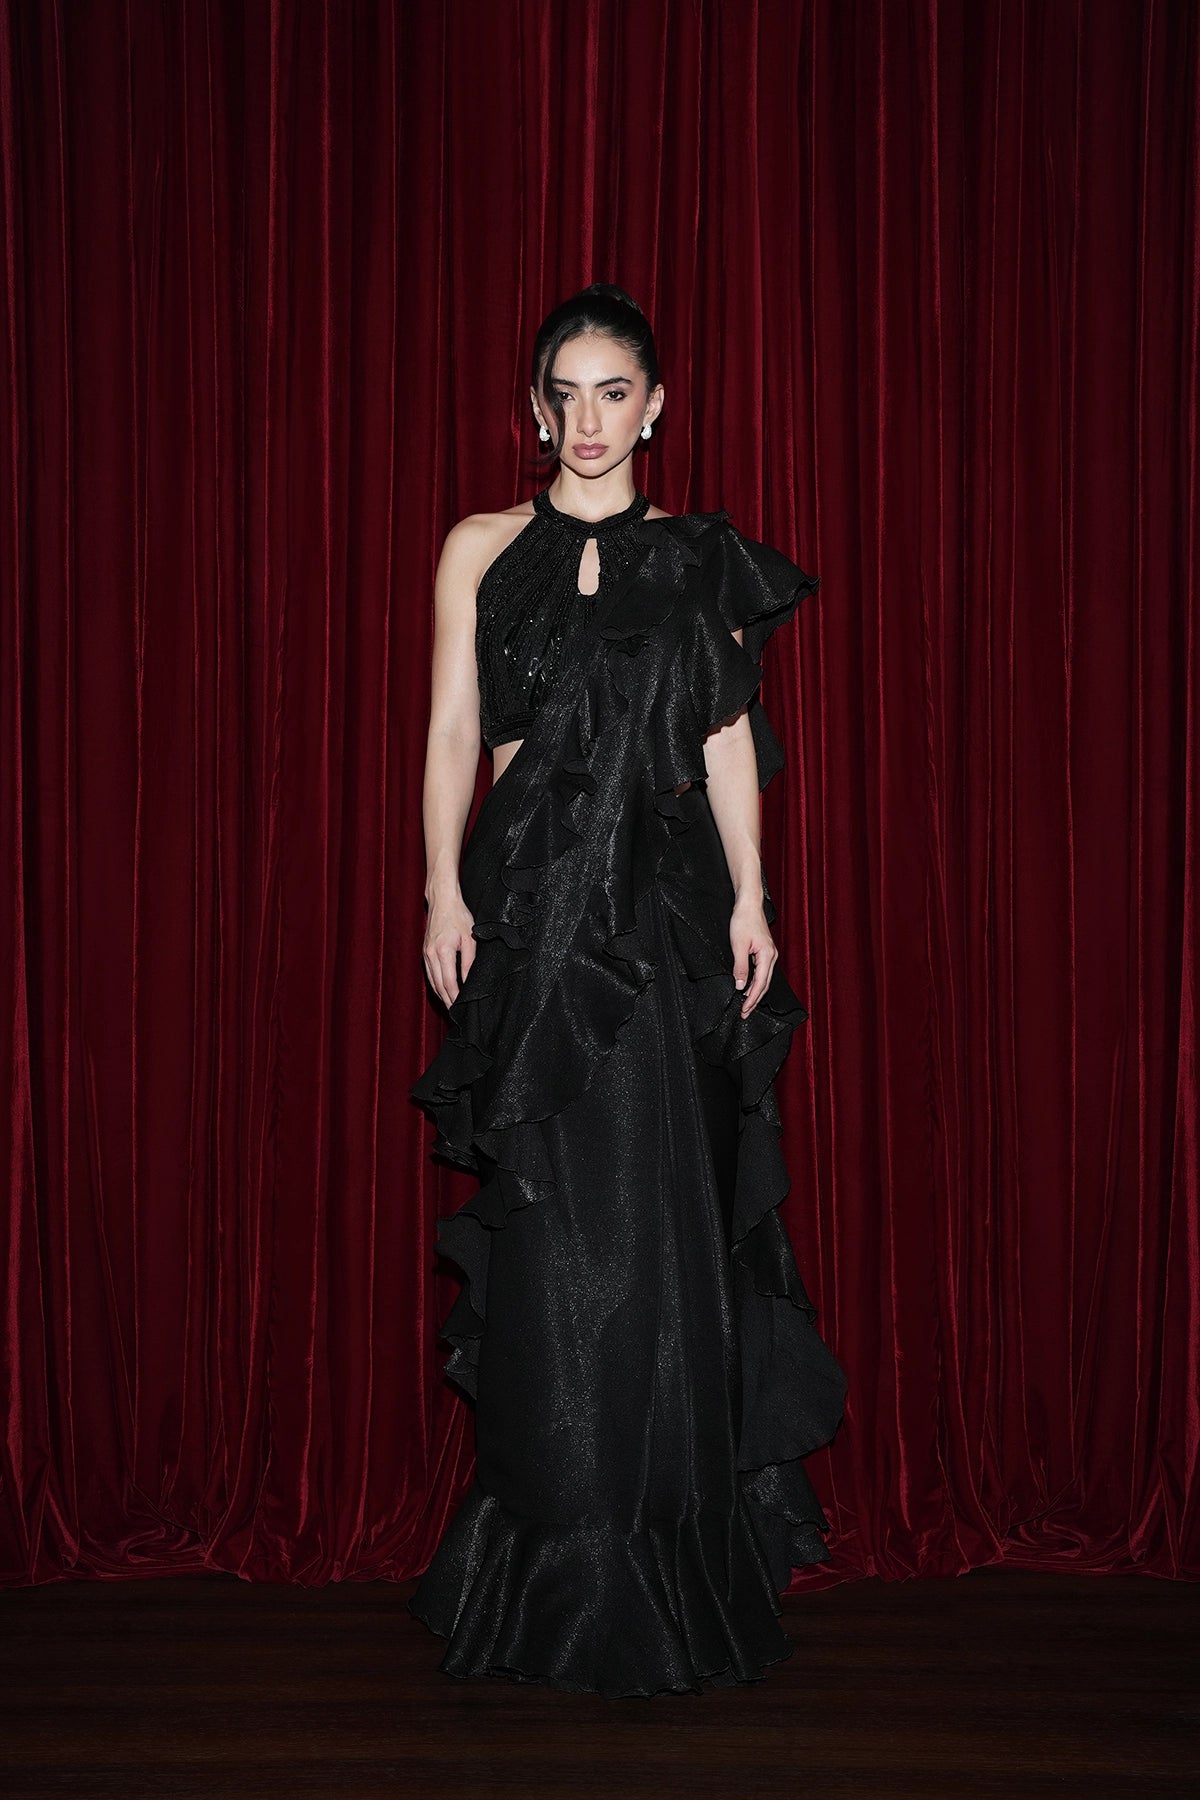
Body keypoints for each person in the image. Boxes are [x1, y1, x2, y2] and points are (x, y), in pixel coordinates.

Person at [408, 283, 848, 1698]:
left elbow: (724, 741)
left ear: (656, 408)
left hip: (661, 923)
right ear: (537, 410)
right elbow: (455, 731)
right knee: (553, 1235)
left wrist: (754, 898)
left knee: (662, 1224)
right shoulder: (479, 548)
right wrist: (443, 890)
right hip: (532, 918)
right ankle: (553, 1554)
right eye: (568, 394)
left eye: (616, 393)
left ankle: (660, 1549)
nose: (590, 420)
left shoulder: (699, 561)